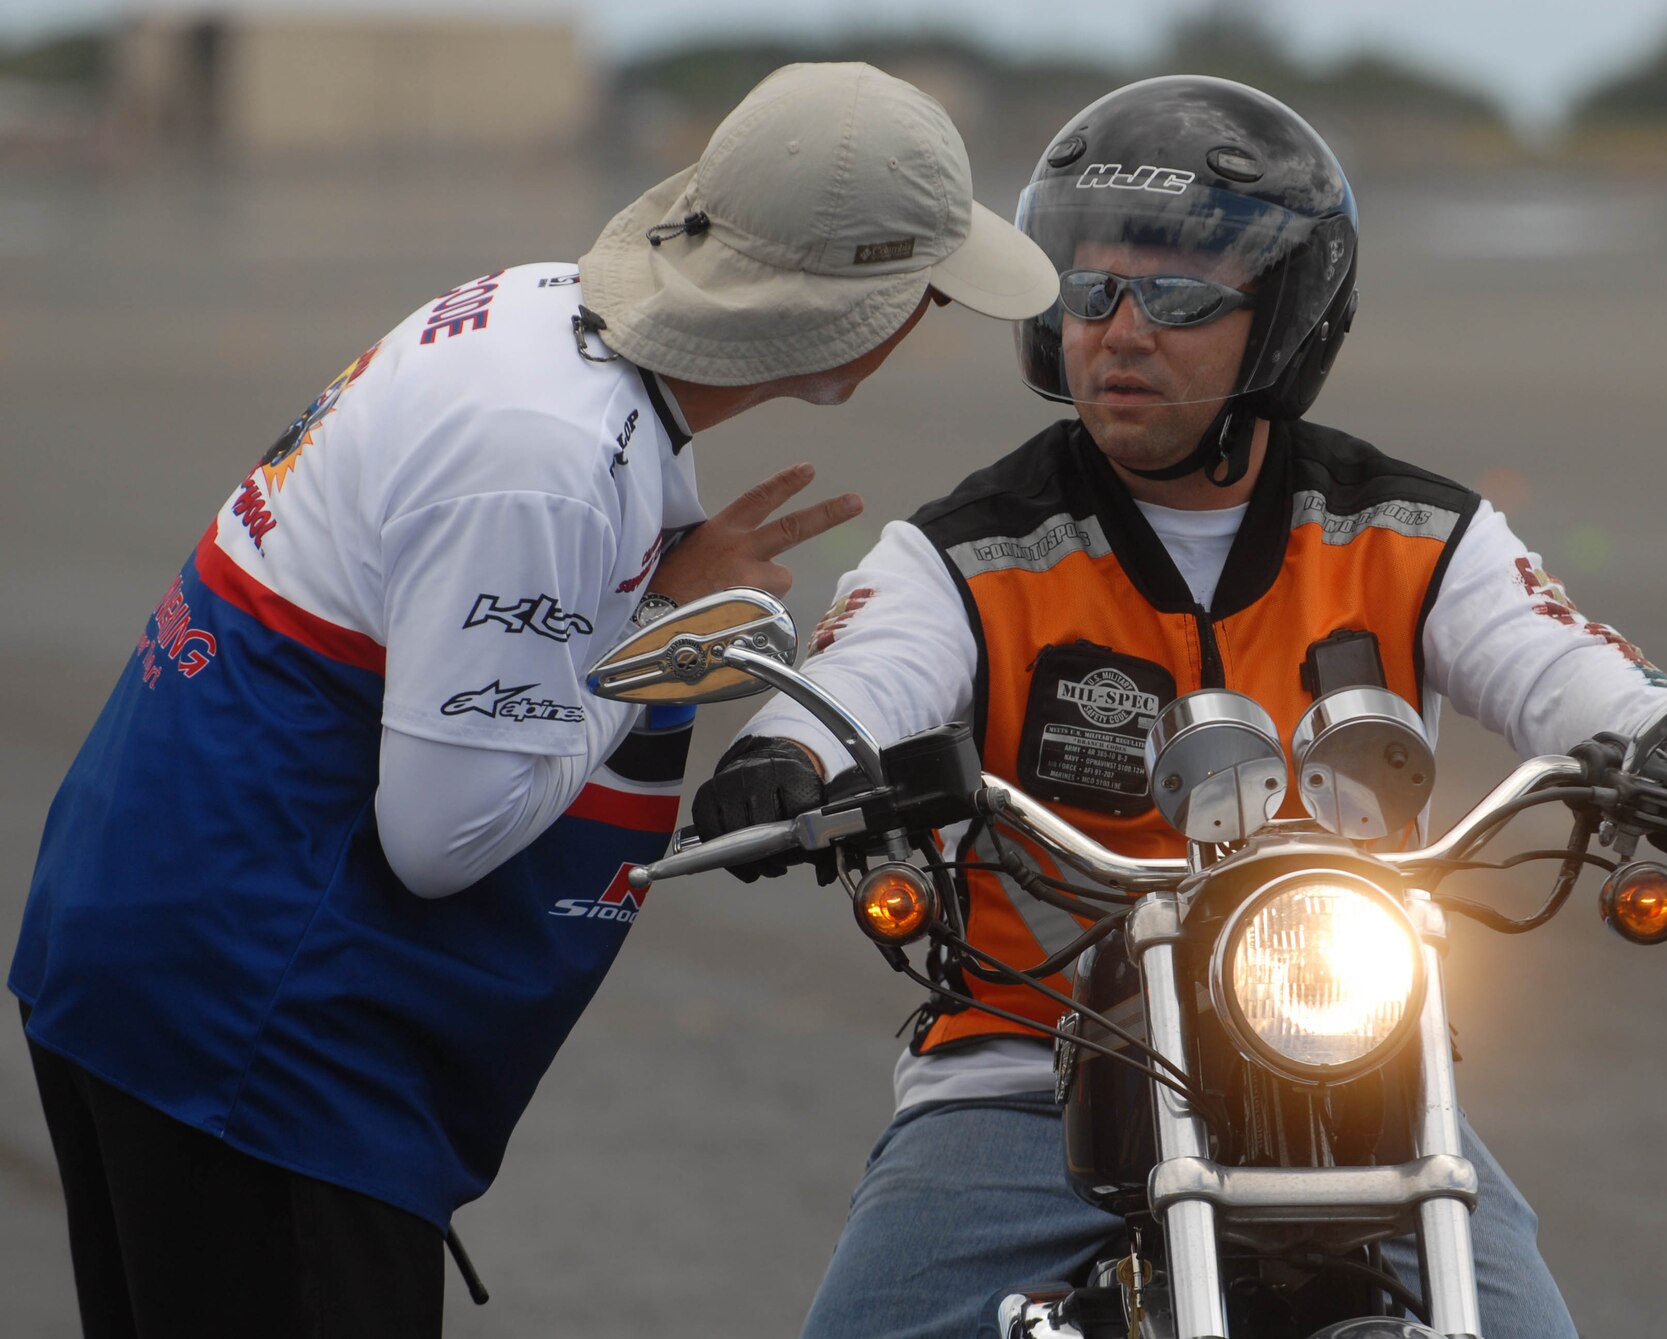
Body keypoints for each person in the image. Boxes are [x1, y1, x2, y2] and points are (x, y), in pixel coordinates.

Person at [690, 76, 1667, 1339]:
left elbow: (1554, 660)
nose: (1118, 331)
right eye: (1088, 289)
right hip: (1027, 1067)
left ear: (1281, 320)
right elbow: (863, 674)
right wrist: (789, 750)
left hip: (1342, 1059)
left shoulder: (1416, 533)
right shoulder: (961, 552)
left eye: (1176, 297)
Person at [9, 61, 1057, 1338]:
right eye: (927, 291)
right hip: (257, 1028)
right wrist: (666, 634)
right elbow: (441, 840)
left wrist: (656, 594)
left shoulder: (528, 310)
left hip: (154, 937)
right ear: (861, 314)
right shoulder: (546, 460)